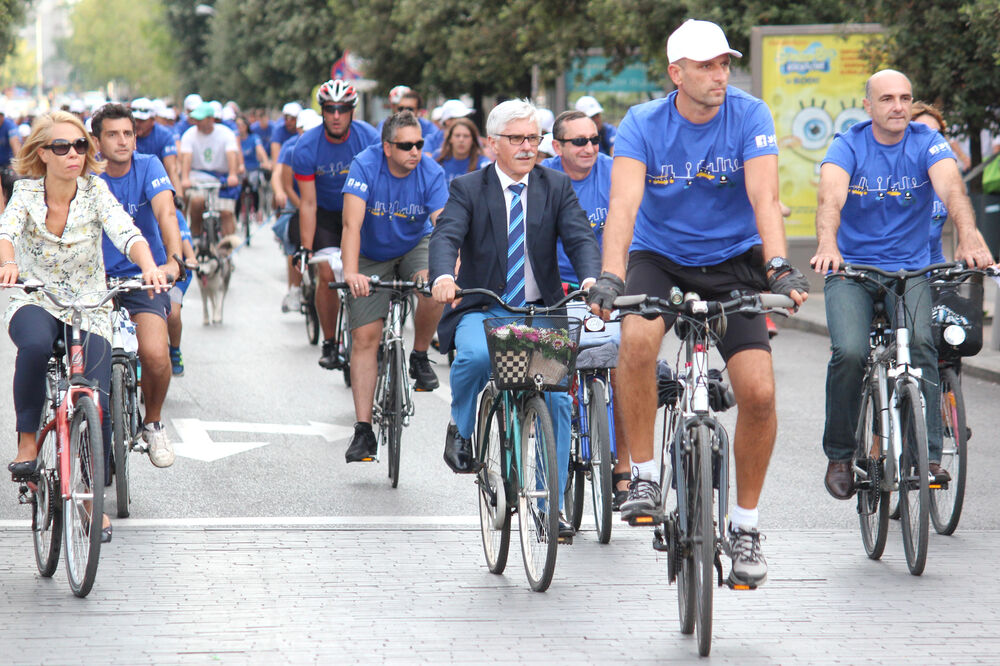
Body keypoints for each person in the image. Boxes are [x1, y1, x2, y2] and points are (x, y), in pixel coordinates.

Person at [587, 19, 809, 588]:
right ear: (676, 73)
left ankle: (747, 527)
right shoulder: (642, 122)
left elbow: (765, 196)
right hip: (659, 257)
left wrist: (778, 267)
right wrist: (611, 276)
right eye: (706, 65)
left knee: (758, 393)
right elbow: (623, 204)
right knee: (636, 340)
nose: (719, 75)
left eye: (724, 64)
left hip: (734, 260)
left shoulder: (750, 113)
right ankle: (641, 474)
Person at [811, 70, 993, 500]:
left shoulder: (926, 141)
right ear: (868, 105)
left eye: (905, 98)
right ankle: (839, 456)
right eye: (888, 98)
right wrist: (827, 244)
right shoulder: (848, 143)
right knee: (851, 352)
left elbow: (951, 188)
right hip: (852, 270)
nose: (898, 106)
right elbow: (830, 199)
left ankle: (929, 457)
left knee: (925, 347)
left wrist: (968, 234)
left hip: (909, 271)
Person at [430, 99, 602, 539]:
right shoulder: (467, 187)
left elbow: (580, 236)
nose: (528, 147)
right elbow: (447, 234)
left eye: (533, 138)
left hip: (538, 311)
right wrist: (444, 276)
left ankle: (552, 501)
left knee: (559, 399)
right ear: (493, 145)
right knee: (472, 359)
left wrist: (592, 278)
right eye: (518, 139)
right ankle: (462, 429)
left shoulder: (555, 185)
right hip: (483, 305)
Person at [0, 111, 169, 541]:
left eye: (79, 146)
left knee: (96, 398)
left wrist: (149, 266)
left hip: (89, 303)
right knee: (36, 345)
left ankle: (92, 502)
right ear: (43, 153)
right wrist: (8, 262)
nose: (73, 154)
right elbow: (7, 232)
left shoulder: (96, 192)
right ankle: (26, 441)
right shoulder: (24, 193)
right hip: (37, 295)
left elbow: (126, 231)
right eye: (62, 147)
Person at [339, 111, 449, 461]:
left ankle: (418, 355)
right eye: (406, 146)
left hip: (414, 246)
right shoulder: (364, 165)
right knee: (366, 337)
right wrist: (352, 273)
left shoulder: (431, 172)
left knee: (433, 285)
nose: (415, 151)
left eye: (419, 144)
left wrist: (449, 271)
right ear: (387, 147)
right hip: (370, 252)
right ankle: (363, 431)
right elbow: (351, 226)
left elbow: (443, 225)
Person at [542, 109, 631, 509]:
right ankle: (554, 475)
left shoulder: (614, 172)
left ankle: (624, 470)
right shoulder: (542, 178)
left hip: (607, 283)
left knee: (622, 372)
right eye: (579, 141)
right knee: (554, 379)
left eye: (595, 140)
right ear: (557, 146)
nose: (590, 148)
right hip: (555, 286)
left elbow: (636, 224)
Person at [91, 103, 184, 467]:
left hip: (144, 279)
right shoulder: (87, 175)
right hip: (95, 283)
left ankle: (153, 423)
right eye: (112, 134)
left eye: (128, 133)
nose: (123, 141)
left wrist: (172, 260)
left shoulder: (150, 166)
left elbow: (165, 212)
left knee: (157, 356)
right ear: (96, 140)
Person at [292, 80, 379, 369]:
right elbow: (307, 203)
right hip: (328, 214)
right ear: (323, 111)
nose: (337, 115)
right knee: (327, 273)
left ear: (352, 110)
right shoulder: (306, 146)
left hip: (365, 211)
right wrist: (305, 247)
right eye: (330, 109)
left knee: (375, 270)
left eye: (343, 109)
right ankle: (330, 341)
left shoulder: (370, 138)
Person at [179, 101, 241, 237]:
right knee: (197, 203)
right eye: (196, 119)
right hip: (198, 177)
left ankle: (227, 248)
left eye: (201, 119)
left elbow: (232, 154)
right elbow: (186, 158)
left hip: (221, 178)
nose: (197, 122)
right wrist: (185, 178)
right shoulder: (189, 135)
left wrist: (232, 175)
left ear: (211, 119)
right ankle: (195, 236)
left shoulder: (226, 133)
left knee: (226, 212)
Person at [131, 97, 183, 197]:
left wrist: (178, 195)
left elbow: (171, 168)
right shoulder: (124, 134)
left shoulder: (164, 135)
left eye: (142, 120)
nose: (137, 124)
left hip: (157, 183)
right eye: (135, 120)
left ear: (152, 120)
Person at [235, 114, 272, 224]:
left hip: (253, 167)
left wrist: (266, 162)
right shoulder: (234, 138)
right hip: (240, 169)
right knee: (238, 190)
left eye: (242, 125)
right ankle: (236, 216)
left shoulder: (254, 138)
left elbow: (260, 150)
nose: (240, 127)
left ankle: (256, 210)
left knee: (255, 187)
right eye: (237, 125)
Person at [435, 117, 491, 182]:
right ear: (450, 139)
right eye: (457, 135)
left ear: (473, 140)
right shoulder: (438, 158)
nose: (461, 140)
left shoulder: (483, 165)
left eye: (466, 136)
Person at [0, 108, 23, 202]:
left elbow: (15, 145)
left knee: (12, 182)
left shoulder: (9, 126)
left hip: (7, 164)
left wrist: (17, 164)